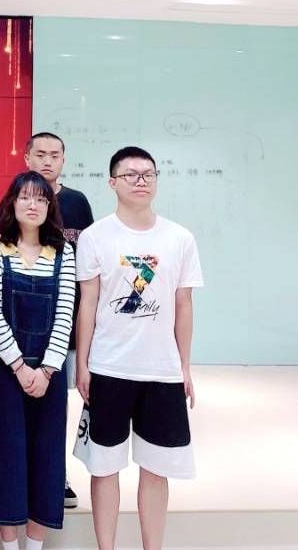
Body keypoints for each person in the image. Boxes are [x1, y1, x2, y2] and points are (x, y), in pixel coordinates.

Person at [74, 147, 203, 550]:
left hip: (161, 371)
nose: (141, 181)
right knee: (104, 466)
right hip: (109, 367)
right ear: (112, 182)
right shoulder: (95, 236)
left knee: (156, 468)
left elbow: (184, 305)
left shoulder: (179, 238)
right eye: (131, 174)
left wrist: (184, 367)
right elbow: (88, 304)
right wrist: (83, 364)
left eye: (148, 174)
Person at [0, 131, 94, 508]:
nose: (47, 161)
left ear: (64, 160)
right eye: (40, 154)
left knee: (56, 407)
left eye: (55, 155)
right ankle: (19, 481)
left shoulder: (77, 202)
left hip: (63, 323)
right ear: (27, 158)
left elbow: (88, 264)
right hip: (16, 328)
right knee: (15, 411)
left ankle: (57, 476)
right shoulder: (13, 199)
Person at [0, 171, 76, 550]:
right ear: (12, 203)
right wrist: (19, 367)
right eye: (25, 197)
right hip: (6, 372)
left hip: (50, 373)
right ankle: (9, 545)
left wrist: (47, 369)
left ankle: (35, 546)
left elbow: (65, 313)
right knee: (6, 454)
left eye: (40, 198)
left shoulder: (64, 252)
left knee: (47, 456)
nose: (32, 205)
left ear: (49, 206)